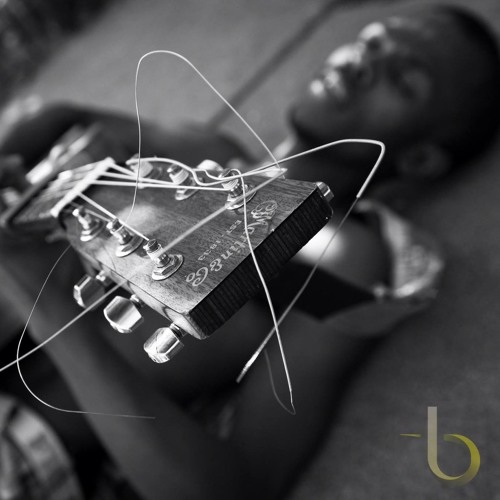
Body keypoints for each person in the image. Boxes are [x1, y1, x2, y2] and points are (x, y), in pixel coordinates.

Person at [0, 3, 499, 499]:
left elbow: (240, 488)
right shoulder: (199, 147)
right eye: (370, 42)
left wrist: (39, 301)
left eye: (403, 80)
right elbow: (52, 116)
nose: (359, 63)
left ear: (420, 159)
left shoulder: (337, 254)